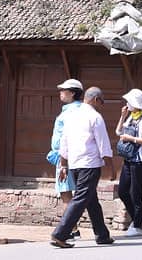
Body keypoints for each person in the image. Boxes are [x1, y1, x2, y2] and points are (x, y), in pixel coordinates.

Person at [50, 86, 116, 249]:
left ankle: (102, 234)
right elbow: (103, 144)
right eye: (101, 101)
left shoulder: (71, 115)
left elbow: (64, 142)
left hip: (75, 163)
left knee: (91, 200)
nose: (102, 105)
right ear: (95, 99)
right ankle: (60, 233)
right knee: (81, 198)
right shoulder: (95, 116)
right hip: (89, 164)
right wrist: (111, 167)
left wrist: (64, 165)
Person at [114, 89, 142, 237]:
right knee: (123, 191)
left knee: (135, 193)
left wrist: (130, 139)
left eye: (128, 102)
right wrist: (122, 116)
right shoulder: (131, 116)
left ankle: (137, 225)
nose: (126, 104)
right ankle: (136, 218)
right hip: (128, 159)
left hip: (139, 160)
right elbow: (118, 132)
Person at [47, 79, 84, 239]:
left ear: (73, 93)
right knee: (80, 193)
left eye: (64, 90)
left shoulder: (69, 113)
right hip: (77, 155)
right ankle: (73, 227)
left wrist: (63, 162)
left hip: (65, 157)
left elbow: (65, 138)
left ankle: (69, 228)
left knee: (66, 194)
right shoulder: (80, 110)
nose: (61, 92)